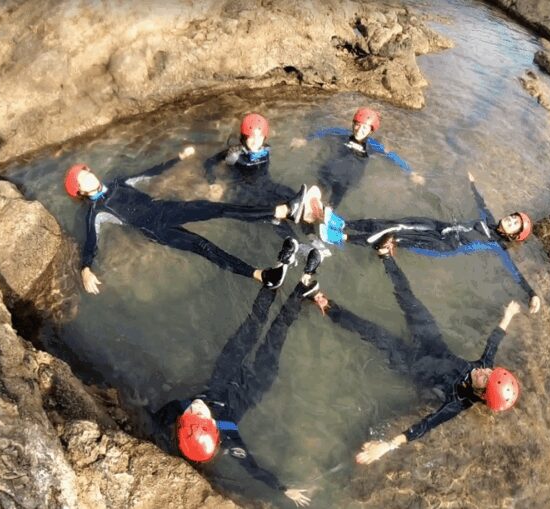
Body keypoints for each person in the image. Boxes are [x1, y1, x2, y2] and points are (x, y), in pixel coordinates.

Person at [150, 245, 325, 507]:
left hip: (224, 376)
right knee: (276, 333)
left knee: (251, 326)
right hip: (254, 385)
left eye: (189, 415)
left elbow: (152, 421)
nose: (195, 407)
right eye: (199, 414)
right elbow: (251, 468)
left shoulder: (182, 412)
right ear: (211, 427)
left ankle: (276, 276)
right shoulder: (229, 436)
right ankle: (305, 283)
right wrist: (282, 488)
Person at [316, 253, 522, 464]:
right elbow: (493, 343)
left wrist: (387, 446)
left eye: (486, 378)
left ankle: (329, 308)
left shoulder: (457, 403)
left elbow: (425, 425)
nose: (485, 371)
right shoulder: (485, 369)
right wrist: (509, 315)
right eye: (490, 371)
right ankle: (387, 256)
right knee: (411, 303)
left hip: (410, 364)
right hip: (433, 345)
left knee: (374, 333)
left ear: (481, 393)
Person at [64, 147, 317, 293]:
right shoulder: (96, 212)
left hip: (168, 209)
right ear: (81, 191)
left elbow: (148, 173)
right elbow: (91, 242)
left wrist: (178, 159)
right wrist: (85, 269)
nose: (89, 176)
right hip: (156, 229)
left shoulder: (118, 182)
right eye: (82, 179)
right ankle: (263, 276)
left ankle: (283, 210)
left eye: (86, 172)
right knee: (204, 247)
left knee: (218, 209)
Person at [320, 171, 541, 313]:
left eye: (514, 225)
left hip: (441, 245)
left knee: (392, 236)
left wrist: (532, 294)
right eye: (513, 217)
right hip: (439, 226)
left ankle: (341, 237)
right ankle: (342, 223)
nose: (510, 220)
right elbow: (481, 204)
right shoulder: (489, 221)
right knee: (394, 222)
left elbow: (513, 271)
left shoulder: (496, 244)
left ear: (512, 237)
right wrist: (472, 184)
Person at [290, 107, 424, 208]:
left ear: (371, 130)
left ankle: (326, 214)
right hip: (330, 171)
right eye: (357, 125)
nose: (360, 130)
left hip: (347, 181)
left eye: (365, 127)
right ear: (353, 124)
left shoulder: (373, 145)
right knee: (317, 192)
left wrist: (411, 172)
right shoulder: (342, 133)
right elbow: (325, 131)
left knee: (332, 204)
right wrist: (305, 140)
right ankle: (307, 205)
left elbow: (392, 157)